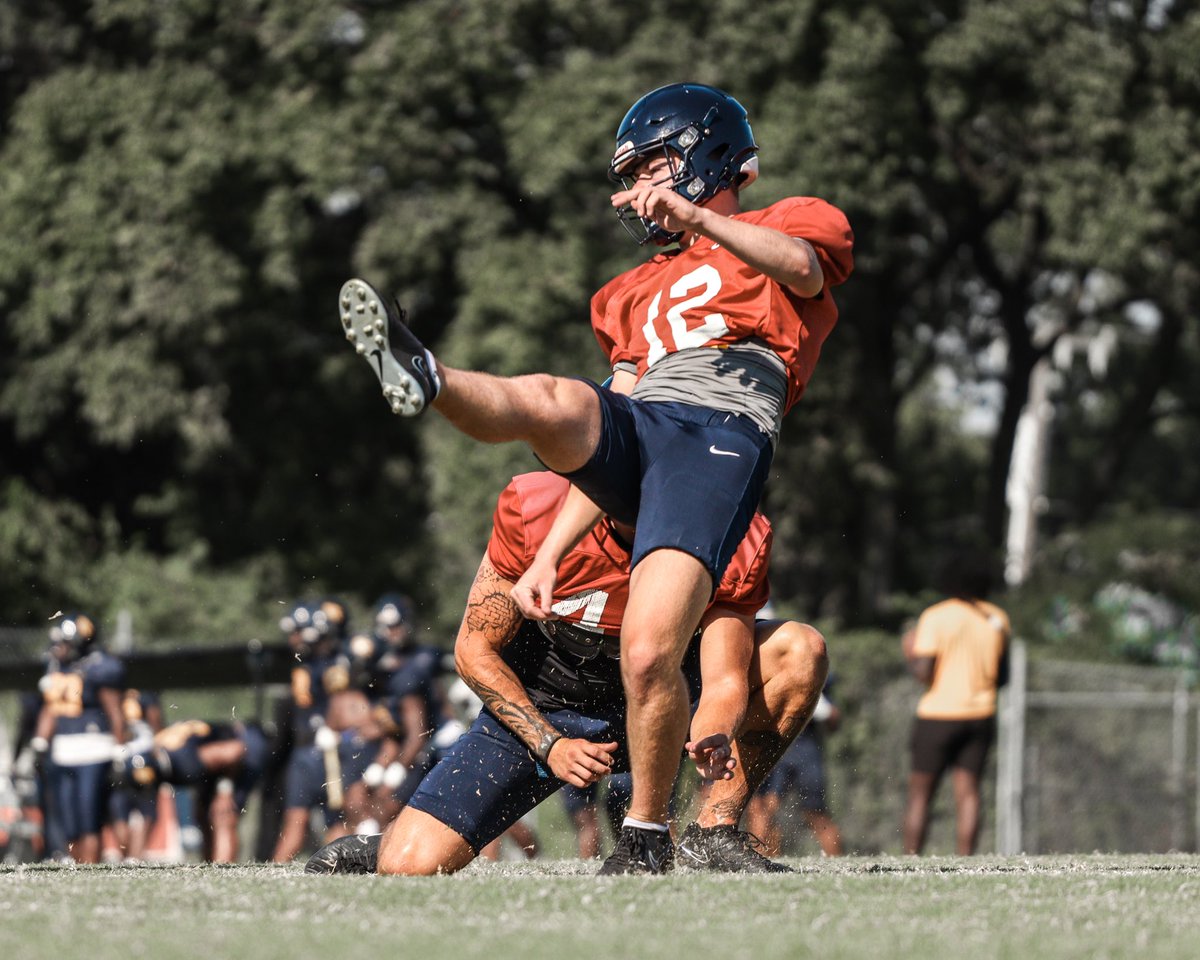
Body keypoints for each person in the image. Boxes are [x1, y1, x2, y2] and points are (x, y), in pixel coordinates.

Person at [337, 82, 852, 873]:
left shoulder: (785, 220)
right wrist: (547, 557)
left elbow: (808, 274)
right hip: (647, 418)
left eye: (651, 166)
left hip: (721, 425)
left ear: (700, 153)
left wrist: (703, 219)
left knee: (650, 651)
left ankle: (653, 834)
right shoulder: (625, 292)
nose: (640, 189)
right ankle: (430, 374)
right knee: (554, 399)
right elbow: (610, 428)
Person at [305, 471, 828, 876]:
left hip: (665, 698)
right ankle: (395, 839)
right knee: (410, 864)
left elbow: (725, 678)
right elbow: (473, 648)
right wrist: (548, 742)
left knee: (798, 650)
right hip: (549, 701)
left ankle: (712, 832)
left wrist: (713, 728)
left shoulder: (727, 528)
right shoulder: (535, 507)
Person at [902, 567, 1010, 855]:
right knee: (969, 793)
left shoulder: (936, 616)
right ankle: (967, 858)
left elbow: (924, 672)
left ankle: (911, 859)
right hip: (980, 714)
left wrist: (909, 653)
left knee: (920, 794)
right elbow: (1003, 677)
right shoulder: (997, 618)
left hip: (938, 714)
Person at [31, 613, 127, 864]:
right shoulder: (62, 668)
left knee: (88, 820)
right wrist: (40, 742)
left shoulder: (100, 667)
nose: (58, 647)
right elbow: (52, 708)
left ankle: (89, 870)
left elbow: (115, 712)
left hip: (94, 751)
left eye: (64, 641)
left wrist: (119, 749)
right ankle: (77, 871)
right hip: (64, 752)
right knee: (68, 820)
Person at [118, 718, 268, 863]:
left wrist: (224, 792)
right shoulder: (160, 752)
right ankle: (211, 869)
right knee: (202, 814)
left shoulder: (183, 761)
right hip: (218, 760)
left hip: (246, 748)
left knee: (222, 815)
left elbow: (235, 751)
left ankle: (224, 871)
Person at [744, 679, 843, 857]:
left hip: (806, 753)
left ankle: (839, 862)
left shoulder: (814, 669)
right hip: (773, 750)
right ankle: (762, 861)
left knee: (816, 814)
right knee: (762, 809)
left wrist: (821, 707)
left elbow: (834, 722)